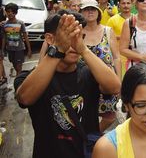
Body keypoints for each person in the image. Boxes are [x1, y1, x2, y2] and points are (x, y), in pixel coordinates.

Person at [14, 11, 121, 158]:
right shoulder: (29, 77)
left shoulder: (89, 73)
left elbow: (115, 87)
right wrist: (57, 50)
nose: (74, 43)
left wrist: (83, 49)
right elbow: (24, 98)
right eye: (67, 37)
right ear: (50, 39)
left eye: (79, 36)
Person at [80, 0, 121, 132]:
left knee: (109, 116)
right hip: (83, 84)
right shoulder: (77, 32)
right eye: (86, 9)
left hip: (106, 84)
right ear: (81, 12)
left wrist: (118, 81)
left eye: (93, 9)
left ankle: (93, 135)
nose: (90, 12)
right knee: (83, 115)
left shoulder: (108, 31)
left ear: (98, 12)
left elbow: (116, 57)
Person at [2, 3, 32, 78]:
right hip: (10, 49)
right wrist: (2, 50)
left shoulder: (20, 23)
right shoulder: (4, 24)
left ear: (15, 13)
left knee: (19, 67)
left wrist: (29, 49)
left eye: (12, 12)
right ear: (6, 12)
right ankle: (20, 77)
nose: (10, 13)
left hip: (19, 49)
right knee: (14, 64)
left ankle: (18, 83)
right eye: (8, 11)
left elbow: (25, 36)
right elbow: (4, 37)